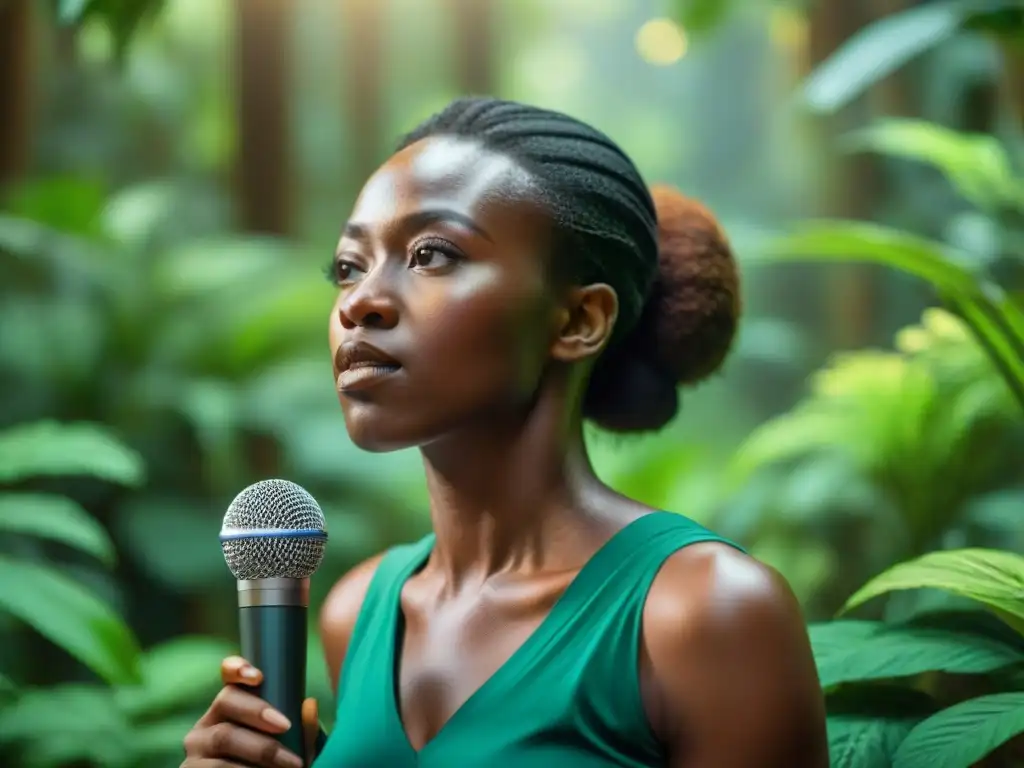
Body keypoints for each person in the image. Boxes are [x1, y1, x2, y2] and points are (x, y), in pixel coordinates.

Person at [182, 96, 829, 768]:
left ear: (579, 320)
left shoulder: (703, 615)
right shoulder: (359, 612)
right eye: (349, 266)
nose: (358, 302)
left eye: (431, 254)